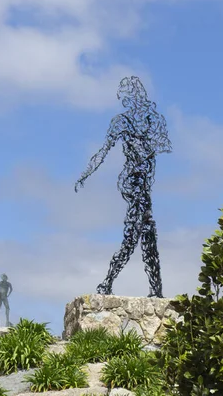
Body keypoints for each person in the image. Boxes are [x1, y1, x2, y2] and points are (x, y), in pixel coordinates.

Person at [75, 76, 172, 298]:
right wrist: (85, 175)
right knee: (136, 234)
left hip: (144, 185)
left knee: (147, 234)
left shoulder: (154, 119)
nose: (123, 99)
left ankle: (153, 290)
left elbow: (162, 145)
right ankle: (108, 283)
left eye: (126, 94)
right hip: (132, 182)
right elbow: (102, 152)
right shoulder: (121, 122)